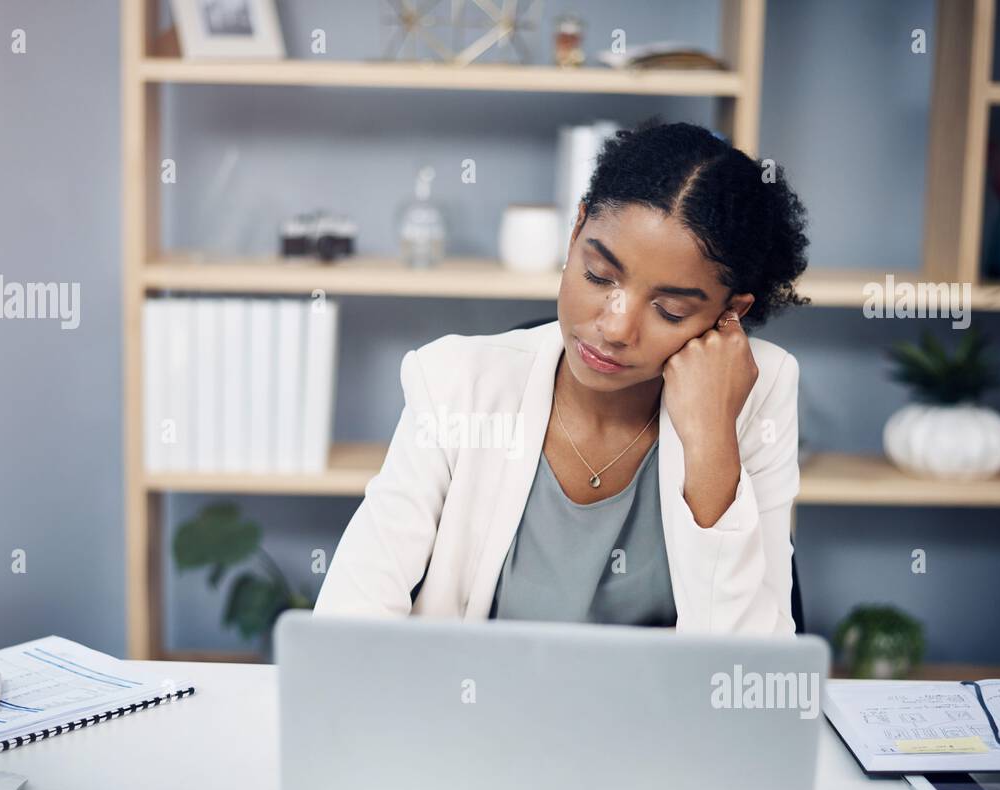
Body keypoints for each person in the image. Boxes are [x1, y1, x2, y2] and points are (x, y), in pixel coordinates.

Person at [314, 119, 811, 634]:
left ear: (729, 314)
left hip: (654, 716)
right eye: (599, 276)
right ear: (575, 234)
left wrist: (712, 441)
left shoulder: (758, 392)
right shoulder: (454, 383)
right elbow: (349, 621)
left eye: (668, 309)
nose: (616, 327)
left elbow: (748, 672)